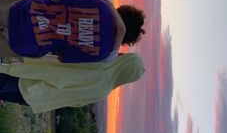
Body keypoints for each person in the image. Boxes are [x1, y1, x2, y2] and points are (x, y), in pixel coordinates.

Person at [0, 0, 145, 62]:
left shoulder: (101, 6)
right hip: (29, 43)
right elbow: (64, 57)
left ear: (123, 12)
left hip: (27, 12)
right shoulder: (101, 53)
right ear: (126, 40)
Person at [0, 53, 145, 113]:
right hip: (36, 100)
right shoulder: (104, 92)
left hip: (31, 83)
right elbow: (75, 103)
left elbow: (59, 75)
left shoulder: (100, 69)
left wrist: (14, 68)